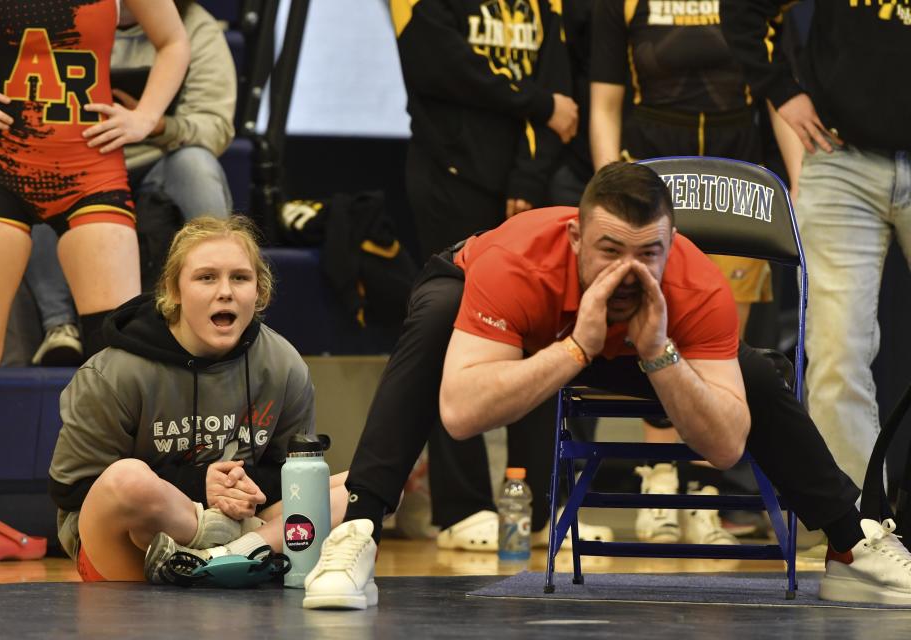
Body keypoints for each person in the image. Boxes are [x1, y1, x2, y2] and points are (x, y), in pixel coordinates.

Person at [301, 162, 911, 609]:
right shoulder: (519, 263)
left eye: (649, 253)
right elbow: (460, 413)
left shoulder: (695, 287)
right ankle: (359, 528)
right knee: (433, 316)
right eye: (609, 249)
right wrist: (576, 347)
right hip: (520, 320)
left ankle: (849, 545)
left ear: (671, 246)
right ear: (574, 239)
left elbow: (725, 448)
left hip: (633, 345)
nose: (628, 270)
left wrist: (658, 350)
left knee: (751, 372)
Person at [0, 0, 190, 564]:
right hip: (0, 165)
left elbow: (174, 42)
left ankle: (121, 511)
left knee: (121, 355)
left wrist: (145, 117)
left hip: (91, 166)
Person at [588, 0, 800, 545]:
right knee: (651, 332)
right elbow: (606, 103)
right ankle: (659, 488)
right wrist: (611, 193)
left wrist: (798, 182)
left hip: (735, 178)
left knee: (719, 346)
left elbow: (778, 92)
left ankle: (705, 495)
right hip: (652, 173)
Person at [48, 215, 349, 582]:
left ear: (259, 292)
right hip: (135, 542)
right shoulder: (114, 372)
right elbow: (71, 489)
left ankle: (226, 556)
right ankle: (233, 550)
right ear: (174, 291)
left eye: (240, 278)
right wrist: (198, 485)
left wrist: (244, 488)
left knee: (363, 486)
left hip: (244, 523)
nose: (225, 291)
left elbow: (293, 474)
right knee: (127, 480)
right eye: (206, 277)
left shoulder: (283, 365)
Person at [391, 0, 579, 550]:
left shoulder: (545, 9)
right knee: (452, 330)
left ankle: (541, 507)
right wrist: (534, 101)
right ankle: (460, 507)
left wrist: (528, 175)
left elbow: (563, 108)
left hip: (523, 190)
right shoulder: (430, 9)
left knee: (543, 332)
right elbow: (439, 68)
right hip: (449, 179)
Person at [720, 0, 911, 497]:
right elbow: (742, 11)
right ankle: (860, 539)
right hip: (840, 158)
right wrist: (781, 91)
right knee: (835, 355)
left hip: (843, 158)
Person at [24, 0, 237, 366]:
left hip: (160, 157)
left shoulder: (194, 26)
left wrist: (156, 124)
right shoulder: (66, 15)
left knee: (198, 166)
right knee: (41, 172)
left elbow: (216, 127)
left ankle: (214, 312)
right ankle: (59, 328)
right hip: (82, 157)